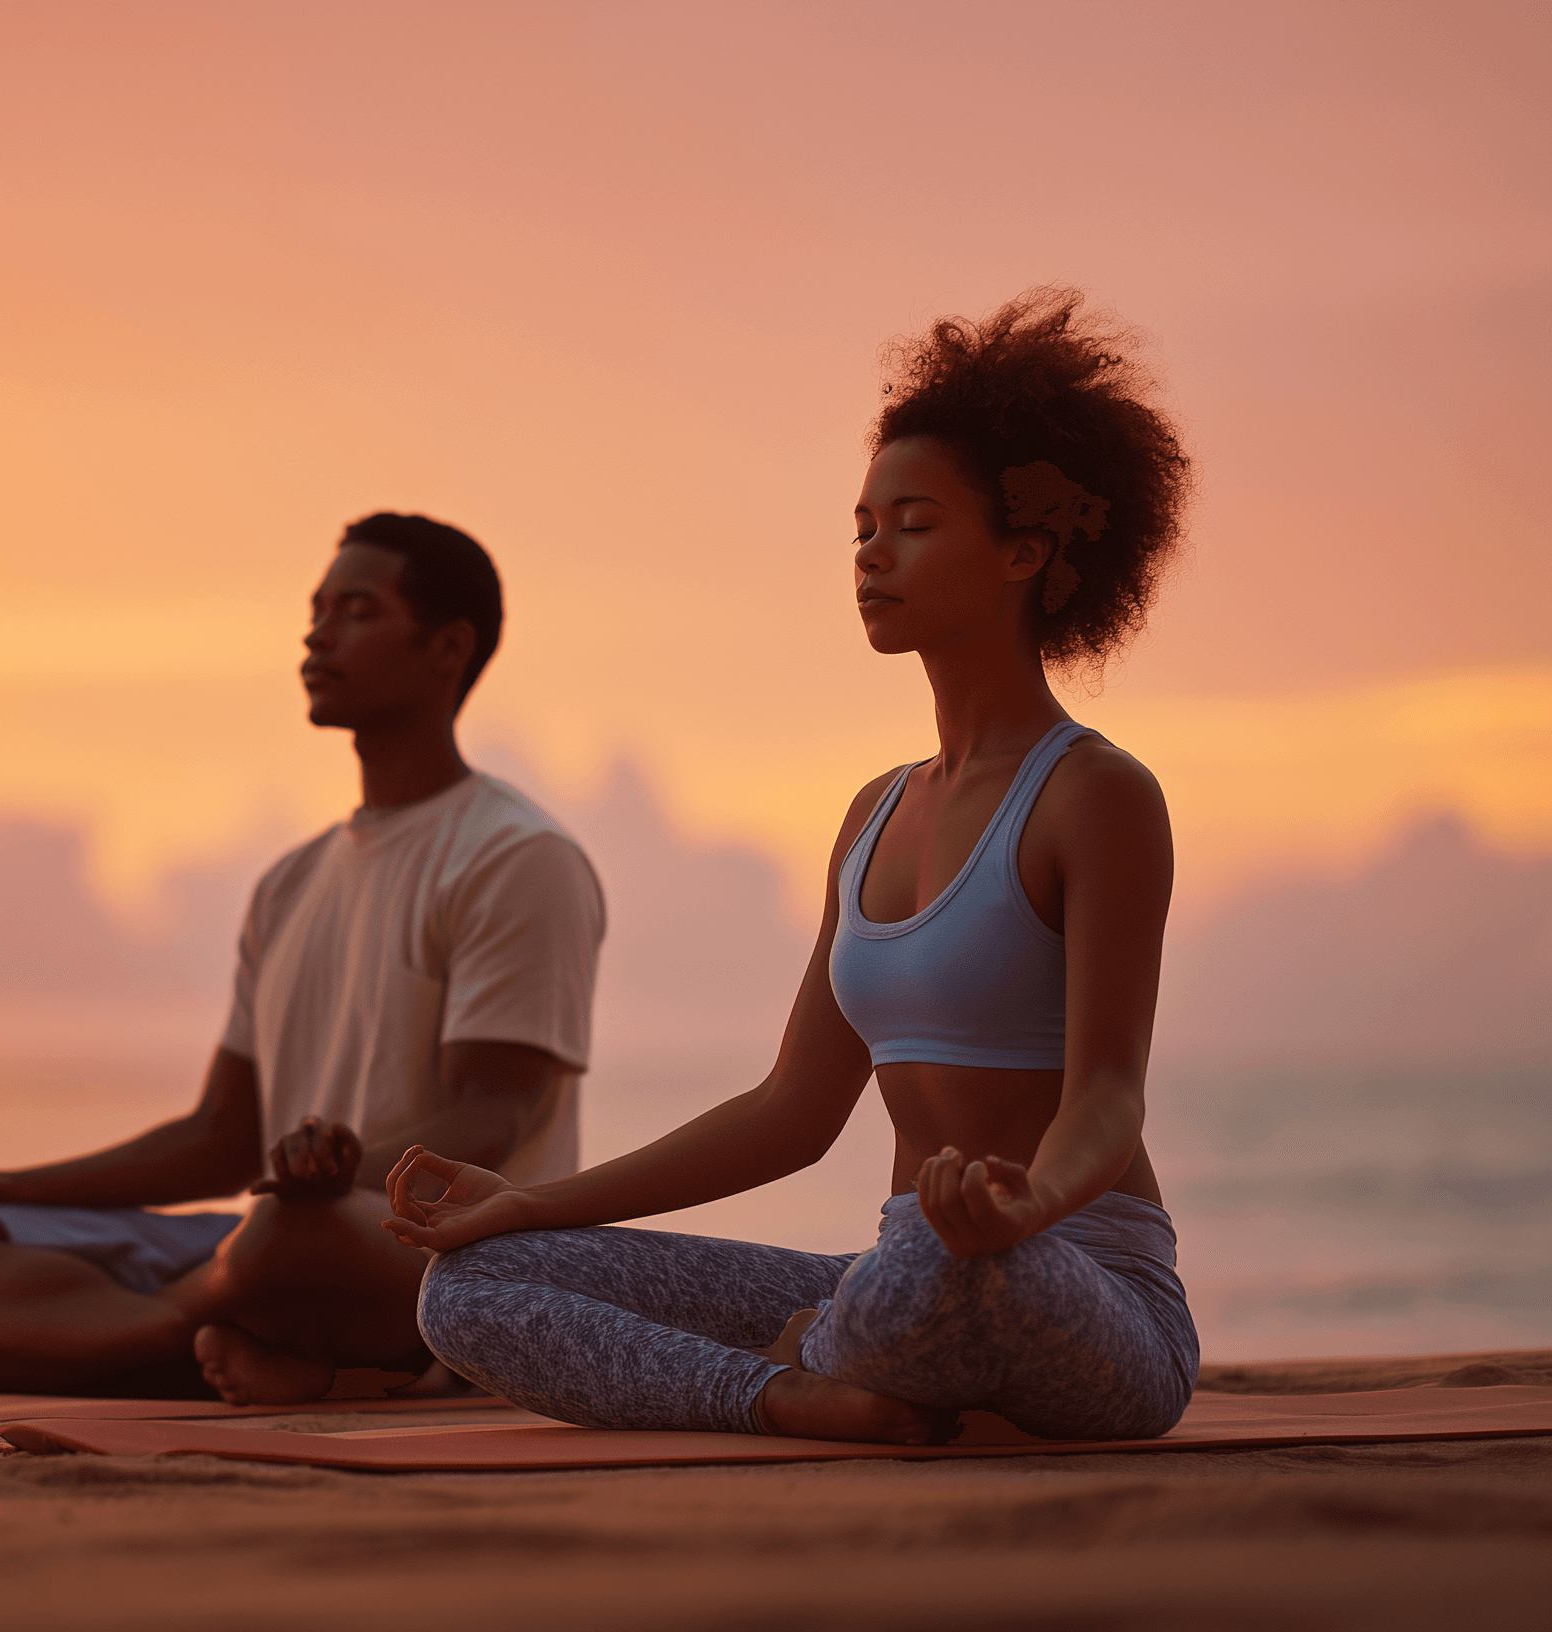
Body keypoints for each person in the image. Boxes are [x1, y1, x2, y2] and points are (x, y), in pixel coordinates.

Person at [386, 288, 1198, 1445]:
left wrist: (1028, 1203)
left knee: (928, 1271)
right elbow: (789, 1113)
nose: (872, 553)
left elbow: (1108, 1094)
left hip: (1071, 1282)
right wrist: (524, 1202)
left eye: (913, 523)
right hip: (899, 1269)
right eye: (861, 527)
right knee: (470, 1284)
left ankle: (830, 1350)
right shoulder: (874, 813)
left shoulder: (1095, 796)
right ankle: (802, 1393)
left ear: (1024, 549)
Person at [0, 512, 605, 1403]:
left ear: (447, 646)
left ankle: (104, 1349)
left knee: (290, 1230)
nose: (318, 633)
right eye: (316, 609)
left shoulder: (515, 857)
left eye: (357, 610)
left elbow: (492, 1118)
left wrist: (336, 1169)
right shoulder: (291, 882)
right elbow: (219, 1138)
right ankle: (188, 1344)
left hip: (431, 1257)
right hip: (271, 1243)